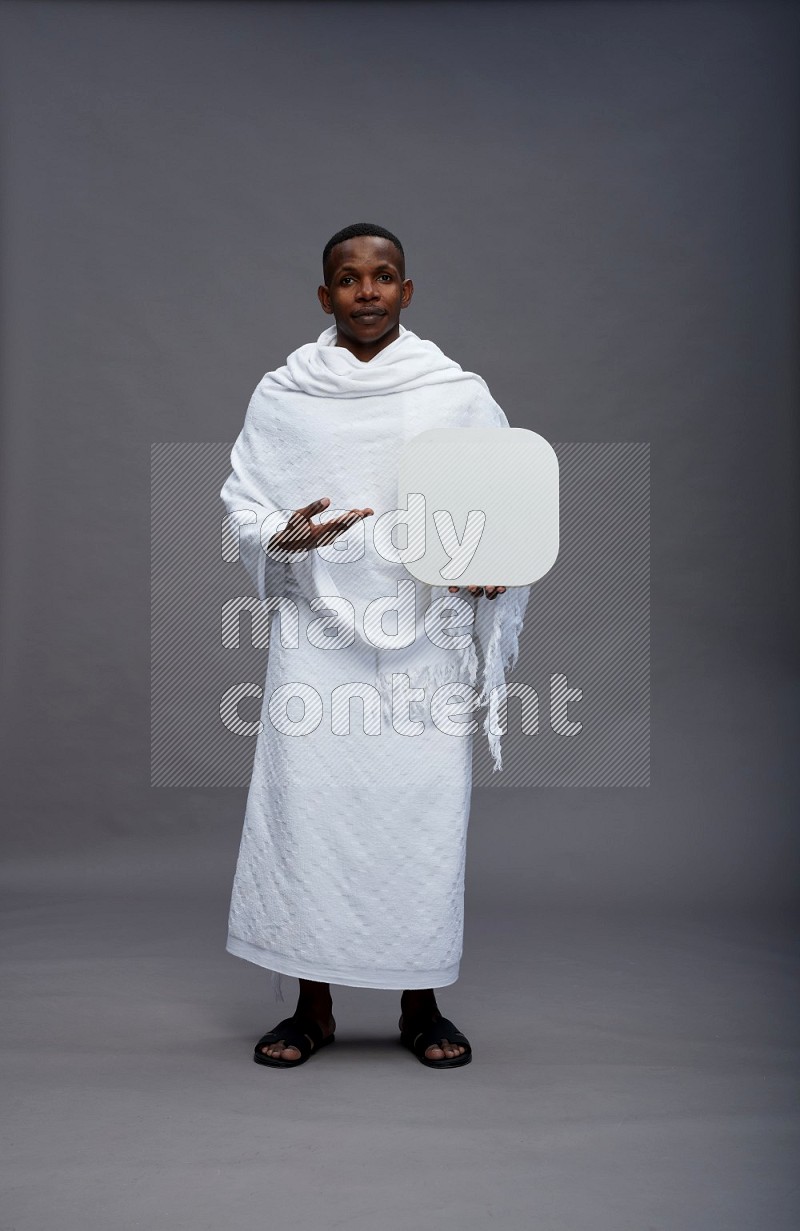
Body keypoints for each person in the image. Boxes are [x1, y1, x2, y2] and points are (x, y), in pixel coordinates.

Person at [220, 223, 529, 1069]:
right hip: (316, 635)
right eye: (349, 279)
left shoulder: (453, 393)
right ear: (325, 297)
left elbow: (500, 498)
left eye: (384, 276)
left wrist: (490, 567)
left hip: (424, 639)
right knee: (309, 812)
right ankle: (310, 1008)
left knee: (417, 816)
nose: (367, 290)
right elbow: (244, 504)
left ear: (407, 291)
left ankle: (420, 1003)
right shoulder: (284, 394)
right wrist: (283, 536)